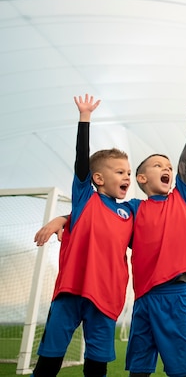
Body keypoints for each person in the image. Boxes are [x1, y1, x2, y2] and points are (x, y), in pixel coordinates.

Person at [32, 94, 134, 377]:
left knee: (97, 365)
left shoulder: (131, 212)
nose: (126, 176)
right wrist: (84, 118)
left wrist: (63, 219)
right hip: (70, 293)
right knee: (49, 361)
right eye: (119, 171)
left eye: (128, 172)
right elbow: (81, 163)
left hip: (107, 298)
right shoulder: (85, 199)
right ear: (98, 179)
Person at [124, 106, 186, 377]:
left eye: (168, 166)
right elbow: (102, 214)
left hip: (174, 294)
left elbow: (185, 164)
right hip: (144, 297)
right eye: (158, 165)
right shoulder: (135, 208)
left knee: (181, 369)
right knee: (139, 368)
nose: (166, 168)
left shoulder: (180, 198)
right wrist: (64, 219)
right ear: (142, 178)